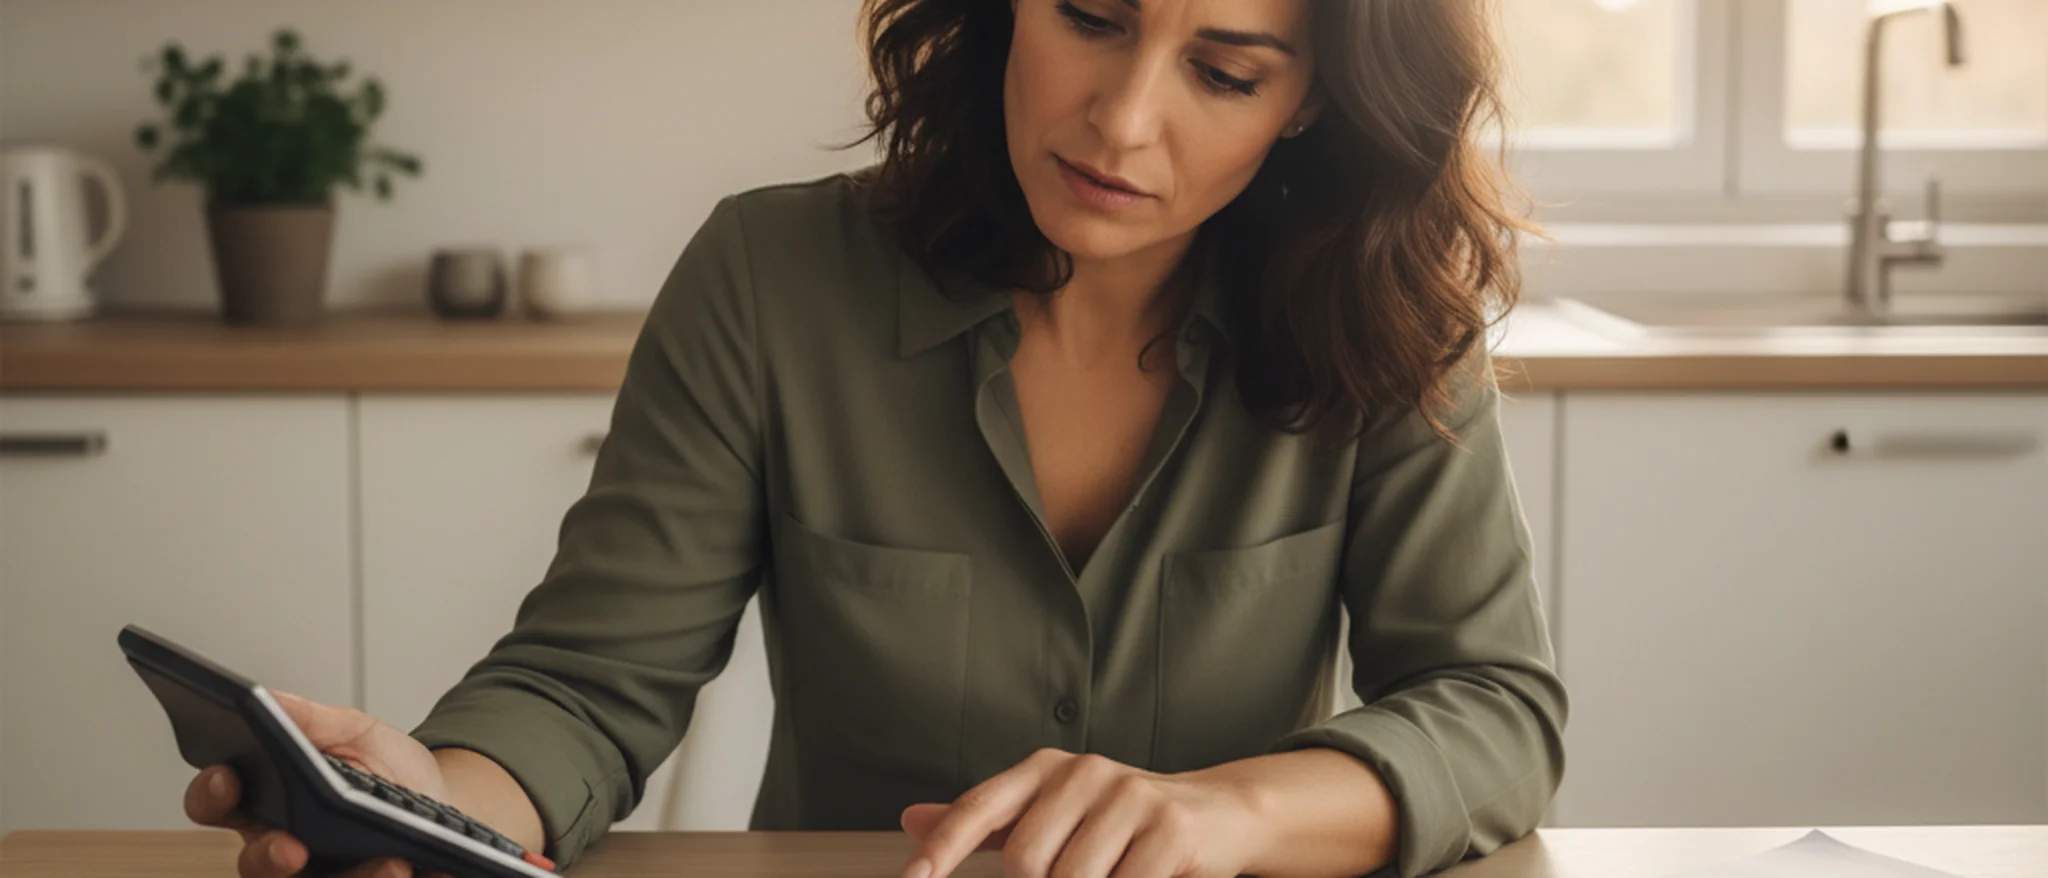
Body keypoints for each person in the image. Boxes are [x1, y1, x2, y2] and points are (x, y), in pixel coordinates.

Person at [185, 1, 1565, 876]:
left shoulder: (1389, 314)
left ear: (1310, 97)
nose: (1124, 118)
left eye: (1223, 70)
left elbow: (1492, 707)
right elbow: (593, 681)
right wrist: (437, 797)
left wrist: (1233, 814)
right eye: (1090, 14)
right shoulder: (770, 273)